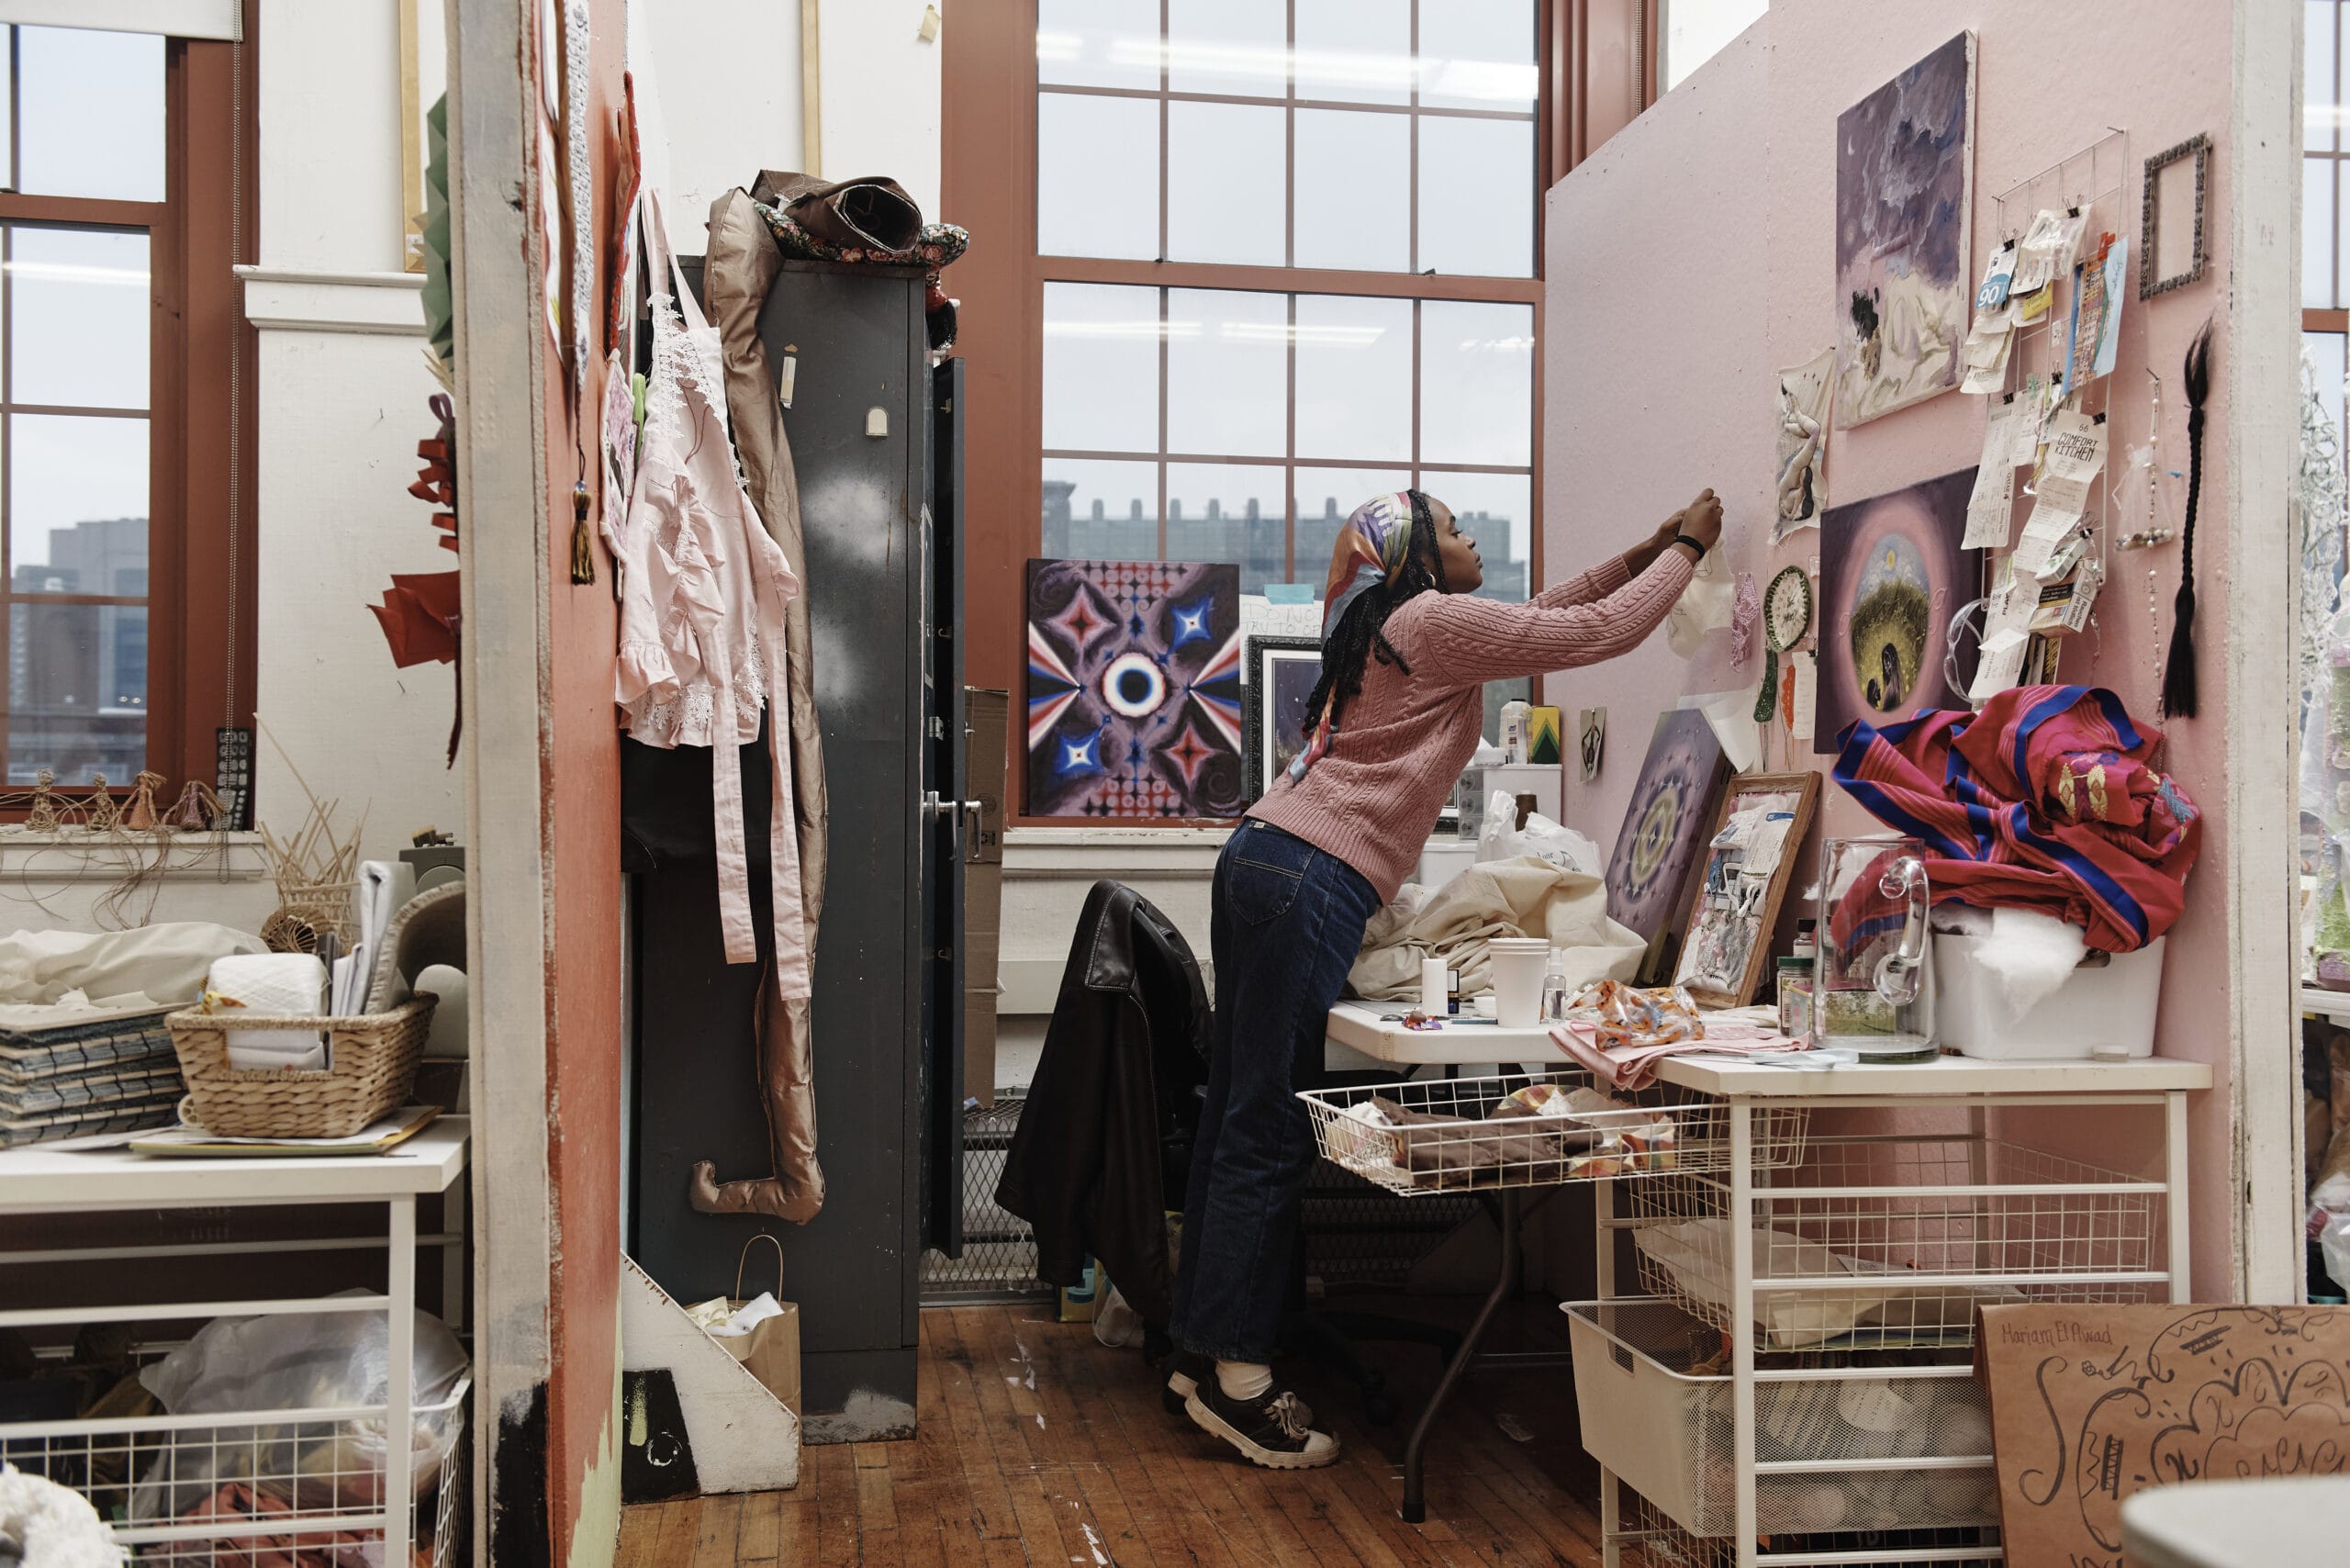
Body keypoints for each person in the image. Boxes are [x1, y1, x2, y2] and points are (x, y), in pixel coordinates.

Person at [1167, 486, 1723, 1468]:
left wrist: (1641, 548)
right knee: (1262, 1128)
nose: (1472, 540)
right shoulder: (1429, 618)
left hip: (1264, 856)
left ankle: (1206, 1354)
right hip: (1310, 874)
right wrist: (1685, 550)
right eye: (1457, 529)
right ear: (1419, 552)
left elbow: (1551, 614)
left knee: (1236, 1119)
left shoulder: (1396, 624)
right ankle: (1238, 1382)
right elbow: (1587, 632)